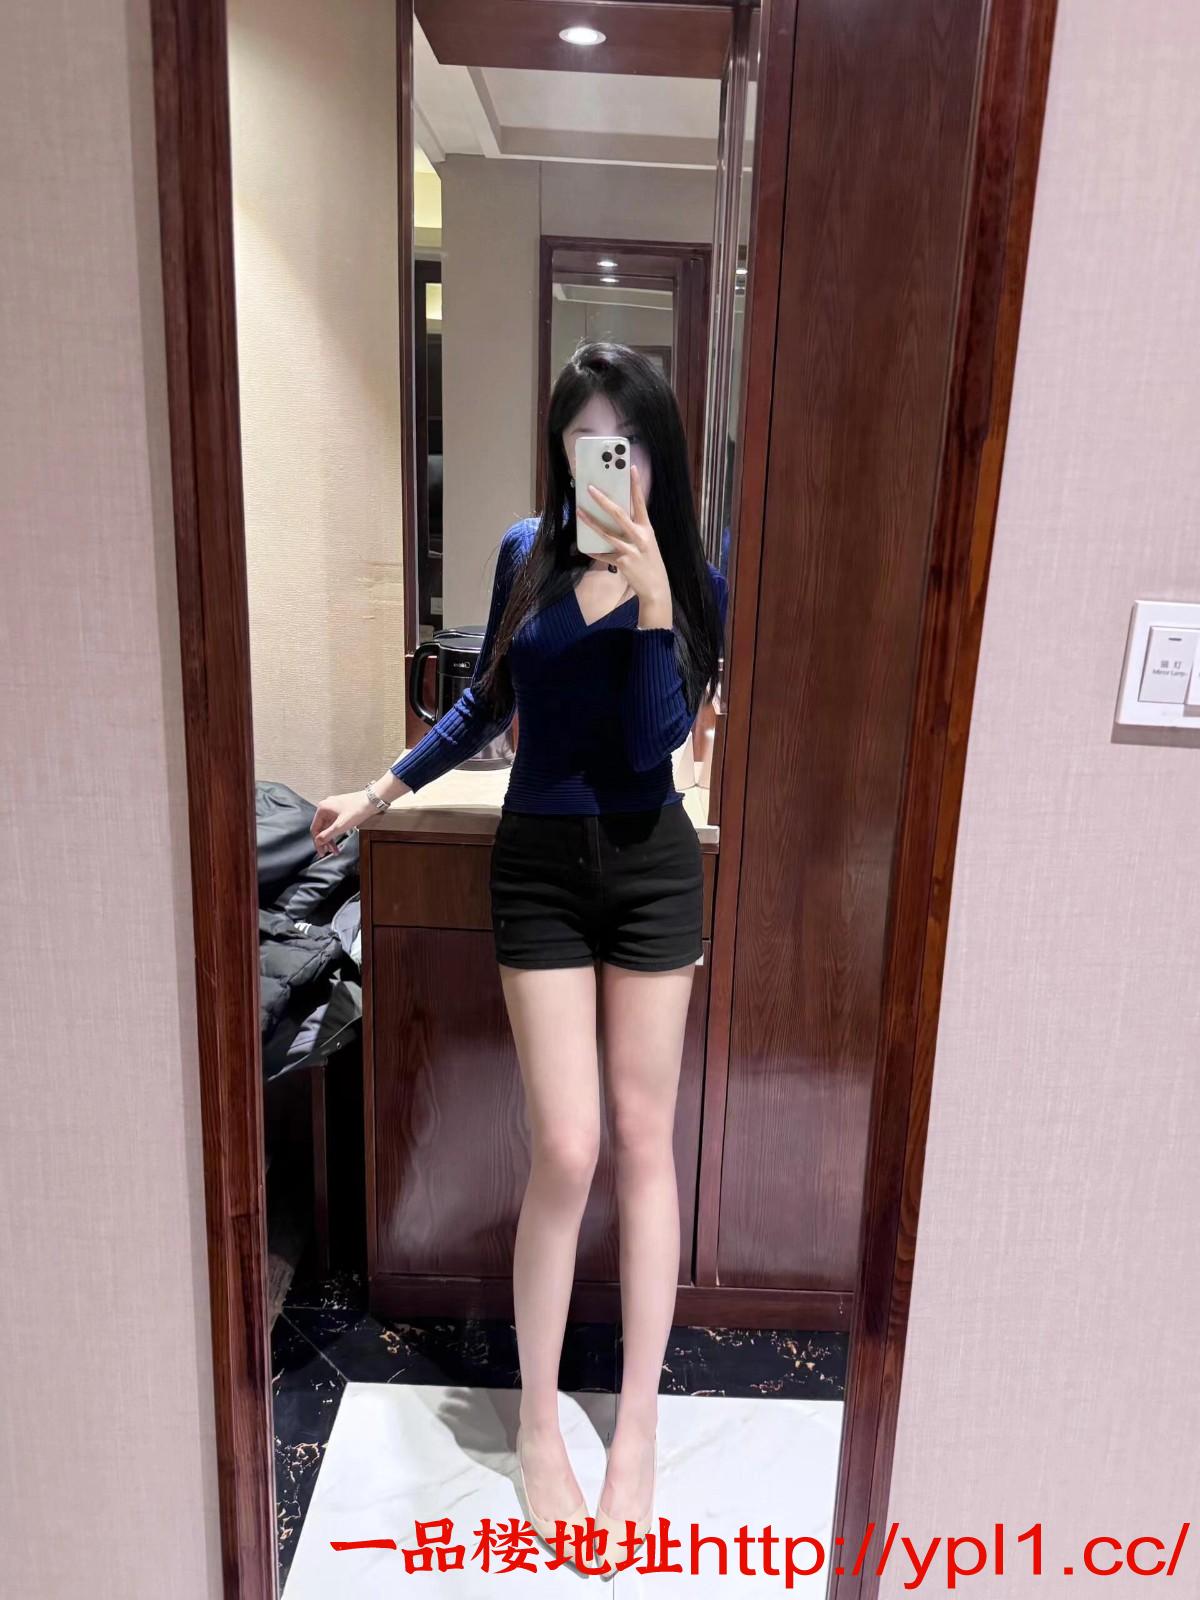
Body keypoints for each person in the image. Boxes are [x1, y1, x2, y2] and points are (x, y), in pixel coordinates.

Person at [311, 340, 728, 1571]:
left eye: (626, 444)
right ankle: (539, 1421)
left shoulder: (696, 576)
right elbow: (488, 700)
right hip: (539, 863)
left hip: (651, 865)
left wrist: (653, 598)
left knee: (644, 1139)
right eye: (587, 443)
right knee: (569, 1144)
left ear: (657, 453)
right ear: (562, 452)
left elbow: (655, 744)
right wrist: (382, 789)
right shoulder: (521, 554)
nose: (609, 465)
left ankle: (637, 1425)